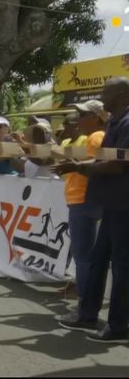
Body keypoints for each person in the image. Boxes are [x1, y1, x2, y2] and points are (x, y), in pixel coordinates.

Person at [55, 77, 129, 343]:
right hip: (112, 203)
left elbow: (117, 165)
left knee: (121, 266)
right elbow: (105, 159)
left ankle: (119, 326)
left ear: (121, 94)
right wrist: (80, 164)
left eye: (106, 92)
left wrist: (78, 167)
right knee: (98, 261)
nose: (103, 96)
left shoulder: (127, 123)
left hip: (124, 204)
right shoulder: (115, 122)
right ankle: (88, 315)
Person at [52, 100, 107, 310]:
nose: (79, 119)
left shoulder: (95, 137)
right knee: (87, 256)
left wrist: (71, 167)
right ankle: (88, 301)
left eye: (83, 115)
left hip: (83, 199)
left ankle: (85, 303)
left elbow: (96, 167)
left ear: (95, 117)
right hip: (86, 199)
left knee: (83, 256)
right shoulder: (98, 136)